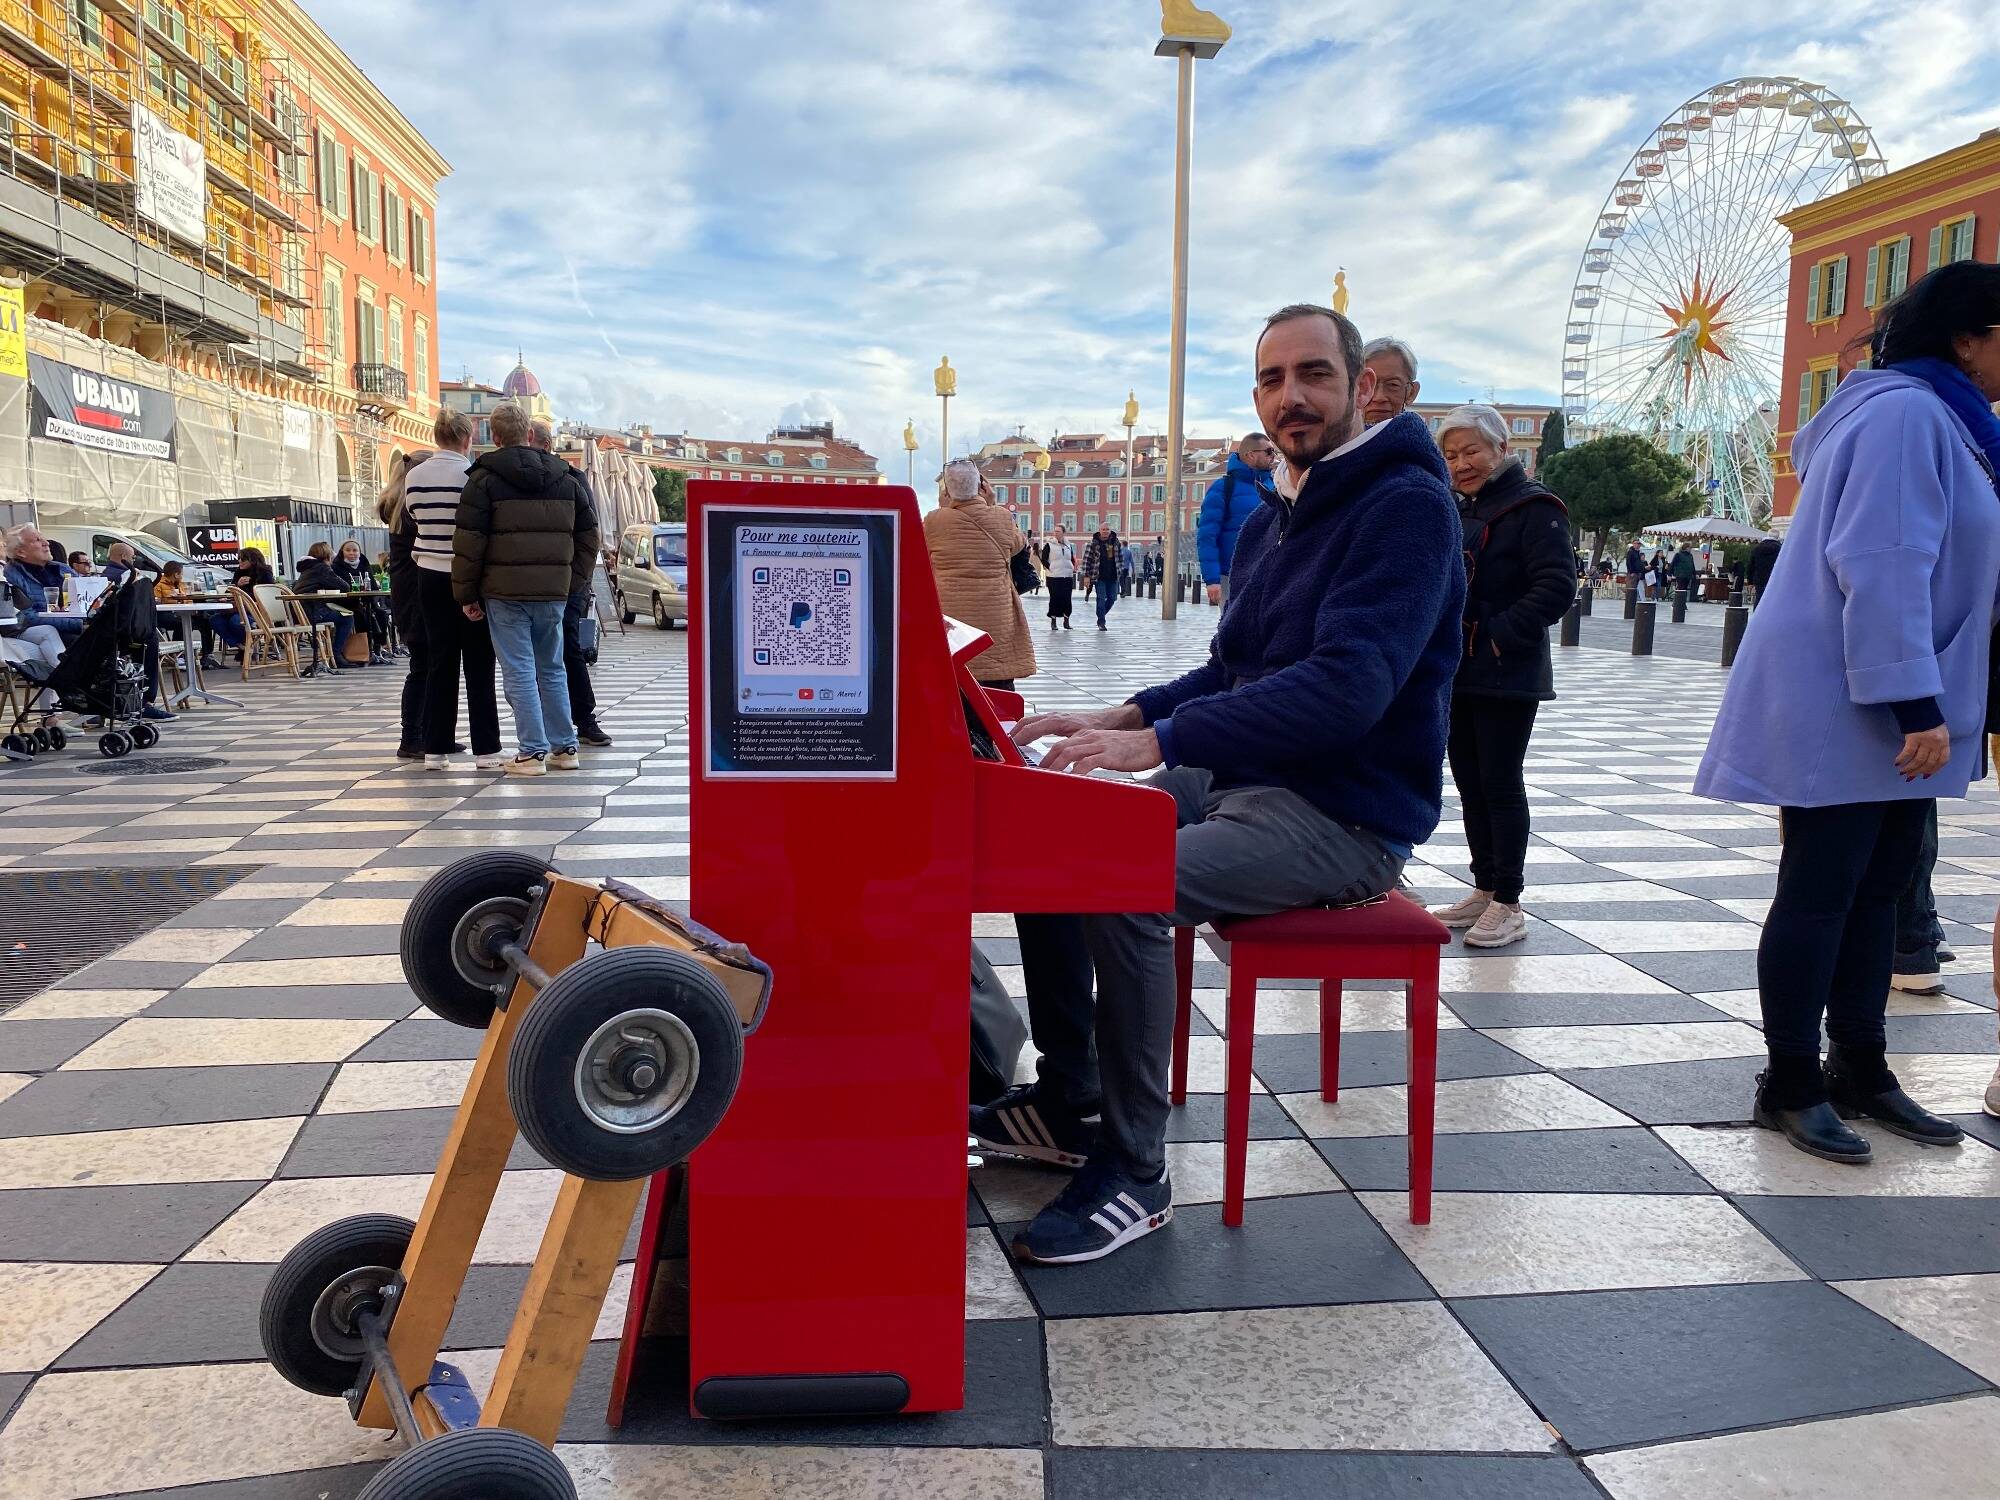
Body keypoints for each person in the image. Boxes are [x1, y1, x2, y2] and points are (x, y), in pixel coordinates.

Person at [974, 302, 1464, 1264]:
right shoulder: (1276, 516)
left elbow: (1346, 691)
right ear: (1256, 396)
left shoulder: (1407, 509)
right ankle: (1072, 1101)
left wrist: (1160, 739)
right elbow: (1233, 668)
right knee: (1053, 836)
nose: (1294, 396)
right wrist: (1124, 715)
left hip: (1345, 814)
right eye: (1274, 379)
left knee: (1127, 886)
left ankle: (1134, 1170)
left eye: (1315, 374)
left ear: (1358, 388)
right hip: (1247, 780)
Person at [1695, 261, 2000, 1164]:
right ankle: (1789, 1081)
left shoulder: (1942, 417)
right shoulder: (1908, 414)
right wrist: (1915, 703)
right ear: (1968, 339)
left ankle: (1860, 1066)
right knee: (1823, 889)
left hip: (1898, 691)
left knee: (1882, 885)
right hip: (1860, 696)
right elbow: (1883, 558)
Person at [1428, 404, 1575, 949]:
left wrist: (1496, 633)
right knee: (1469, 781)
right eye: (1450, 455)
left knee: (1500, 781)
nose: (1461, 463)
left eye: (1471, 451)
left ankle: (1510, 900)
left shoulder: (1536, 507)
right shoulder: (1458, 506)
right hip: (1460, 669)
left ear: (1501, 450)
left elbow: (1557, 586)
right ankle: (1484, 887)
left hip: (1507, 671)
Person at [451, 400, 600, 777]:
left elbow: (469, 543)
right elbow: (590, 537)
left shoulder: (482, 480)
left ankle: (532, 752)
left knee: (519, 670)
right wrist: (574, 581)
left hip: (504, 593)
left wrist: (466, 595)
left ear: (495, 436)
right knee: (552, 668)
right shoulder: (567, 478)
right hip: (553, 592)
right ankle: (564, 747)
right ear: (530, 434)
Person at [407, 411, 502, 770]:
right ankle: (487, 749)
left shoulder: (414, 476)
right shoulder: (472, 476)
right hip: (467, 575)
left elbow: (414, 518)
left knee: (439, 662)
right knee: (479, 663)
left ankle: (435, 748)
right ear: (467, 438)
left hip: (428, 574)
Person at [528, 418, 612, 747]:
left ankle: (582, 719)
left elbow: (590, 535)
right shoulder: (516, 483)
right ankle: (550, 727)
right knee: (541, 653)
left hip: (565, 581)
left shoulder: (573, 479)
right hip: (536, 581)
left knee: (566, 648)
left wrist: (577, 581)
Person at [923, 460, 1036, 688]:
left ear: (946, 489)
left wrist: (946, 509)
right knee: (997, 688)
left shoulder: (934, 521)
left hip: (952, 619)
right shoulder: (1003, 517)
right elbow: (1017, 545)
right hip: (996, 618)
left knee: (955, 680)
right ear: (981, 486)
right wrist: (991, 504)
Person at [1196, 432, 1277, 605]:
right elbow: (1207, 535)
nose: (1274, 456)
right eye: (1269, 451)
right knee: (1232, 628)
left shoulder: (1274, 485)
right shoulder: (1222, 488)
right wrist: (1212, 579)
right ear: (1251, 455)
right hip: (1231, 575)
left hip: (1269, 573)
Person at [5, 527, 82, 640]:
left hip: (77, 626)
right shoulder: (12, 576)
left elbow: (87, 600)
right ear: (21, 552)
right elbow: (28, 617)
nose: (46, 543)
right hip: (51, 632)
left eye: (44, 539)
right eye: (37, 540)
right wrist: (77, 625)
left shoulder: (63, 569)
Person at [293, 541, 355, 672]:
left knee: (342, 614)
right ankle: (336, 655)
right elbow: (345, 586)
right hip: (315, 612)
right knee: (347, 617)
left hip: (300, 614)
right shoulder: (321, 568)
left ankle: (332, 653)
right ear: (326, 555)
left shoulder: (307, 568)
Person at [154, 561, 224, 670]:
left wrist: (186, 602)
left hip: (182, 612)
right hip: (165, 615)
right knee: (183, 622)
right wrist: (172, 599)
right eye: (181, 573)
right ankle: (178, 655)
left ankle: (207, 655)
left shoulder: (181, 584)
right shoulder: (158, 584)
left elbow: (188, 600)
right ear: (176, 574)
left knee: (204, 620)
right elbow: (156, 602)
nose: (182, 576)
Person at [1360, 336, 1422, 427]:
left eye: (1393, 385)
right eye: (1368, 386)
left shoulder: (1419, 441)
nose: (1379, 398)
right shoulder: (1334, 439)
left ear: (1411, 393)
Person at [1079, 519, 1123, 631]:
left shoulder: (1115, 542)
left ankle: (1101, 614)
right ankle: (1101, 622)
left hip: (1113, 577)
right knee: (1100, 598)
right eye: (1103, 529)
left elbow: (1120, 558)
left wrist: (1120, 570)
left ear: (1110, 530)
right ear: (1099, 531)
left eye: (1107, 529)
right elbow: (1086, 561)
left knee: (1112, 598)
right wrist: (1086, 577)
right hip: (1099, 577)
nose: (1105, 531)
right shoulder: (1093, 544)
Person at [1041, 526, 1076, 630]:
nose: (1055, 533)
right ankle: (1053, 621)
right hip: (1053, 576)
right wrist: (1050, 568)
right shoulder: (1049, 545)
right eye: (1055, 531)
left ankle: (1066, 621)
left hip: (1067, 576)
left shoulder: (1068, 545)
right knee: (1054, 598)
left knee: (1067, 599)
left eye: (1058, 531)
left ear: (1063, 532)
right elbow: (1043, 559)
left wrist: (1072, 567)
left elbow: (1071, 558)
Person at [1746, 534, 1781, 601]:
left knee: (1759, 599)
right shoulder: (1780, 548)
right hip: (1774, 579)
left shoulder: (1757, 548)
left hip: (1759, 579)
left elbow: (1751, 566)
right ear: (1777, 537)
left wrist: (1750, 582)